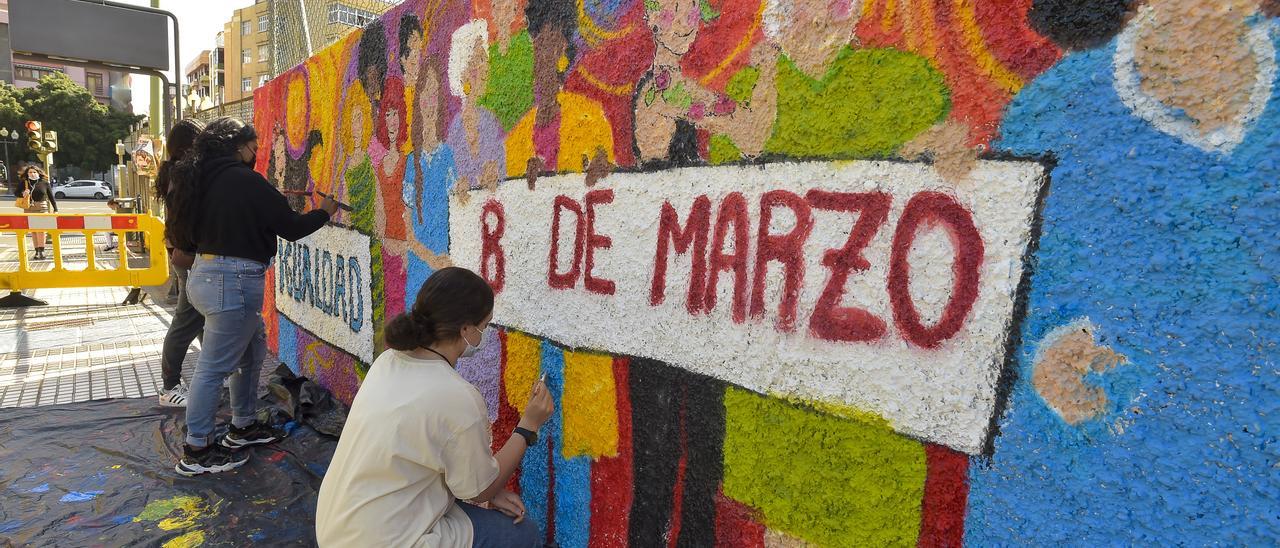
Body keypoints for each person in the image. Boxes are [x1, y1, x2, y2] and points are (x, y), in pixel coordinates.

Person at [316, 267, 553, 547]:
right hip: (384, 539)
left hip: (336, 529)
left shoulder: (389, 361)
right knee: (524, 535)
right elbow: (480, 490)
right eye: (484, 326)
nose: (484, 334)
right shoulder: (457, 397)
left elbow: (434, 457)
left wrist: (489, 490)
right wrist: (528, 426)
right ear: (465, 329)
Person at [166, 117, 338, 476]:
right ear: (239, 146)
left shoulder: (197, 178)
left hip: (207, 275)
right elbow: (291, 227)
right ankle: (197, 449)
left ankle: (242, 426)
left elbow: (186, 236)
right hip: (234, 281)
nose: (255, 154)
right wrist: (324, 211)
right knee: (213, 368)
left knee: (251, 351)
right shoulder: (244, 181)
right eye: (253, 147)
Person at [154, 118, 206, 407]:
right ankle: (169, 387)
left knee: (199, 319)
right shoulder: (183, 174)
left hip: (182, 254)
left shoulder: (172, 171)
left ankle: (210, 372)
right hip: (188, 256)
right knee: (186, 321)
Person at [19, 165, 57, 260]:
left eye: (34, 172)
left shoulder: (44, 183)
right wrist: (23, 193)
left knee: (41, 230)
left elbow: (51, 197)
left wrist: (55, 209)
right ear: (27, 174)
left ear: (38, 173)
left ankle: (42, 251)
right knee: (33, 231)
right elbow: (16, 193)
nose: (32, 174)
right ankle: (37, 251)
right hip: (29, 209)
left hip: (42, 208)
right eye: (30, 172)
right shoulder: (24, 183)